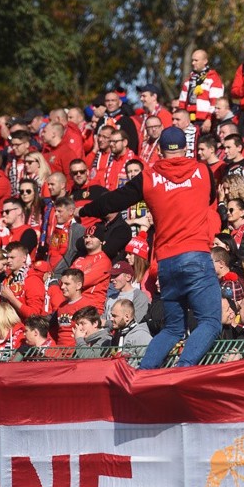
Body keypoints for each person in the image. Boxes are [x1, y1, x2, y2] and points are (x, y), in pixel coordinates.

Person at [78, 126, 222, 368]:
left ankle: (142, 374)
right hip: (196, 256)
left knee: (173, 328)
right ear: (186, 148)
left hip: (166, 262)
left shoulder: (149, 177)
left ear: (161, 151)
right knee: (210, 322)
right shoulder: (203, 171)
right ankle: (183, 369)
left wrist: (84, 210)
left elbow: (113, 201)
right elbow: (210, 198)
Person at [177, 49, 223, 131]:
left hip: (205, 121)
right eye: (192, 60)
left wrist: (209, 119)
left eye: (196, 60)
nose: (193, 63)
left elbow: (215, 102)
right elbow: (182, 103)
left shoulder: (213, 78)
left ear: (205, 61)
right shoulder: (189, 80)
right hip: (188, 121)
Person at [0, 242, 46, 318]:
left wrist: (11, 298)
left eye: (12, 257)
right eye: (7, 258)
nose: (8, 261)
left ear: (24, 258)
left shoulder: (33, 280)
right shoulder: (7, 279)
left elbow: (35, 314)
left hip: (25, 327)